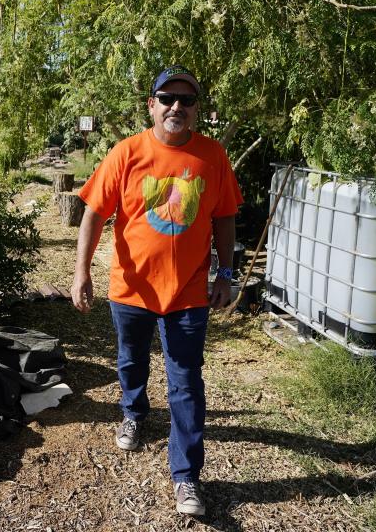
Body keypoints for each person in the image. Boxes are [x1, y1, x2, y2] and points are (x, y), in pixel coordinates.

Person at [70, 65, 243, 516]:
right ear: (152, 105)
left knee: (185, 381)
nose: (176, 108)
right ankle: (133, 411)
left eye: (186, 101)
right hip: (130, 289)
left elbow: (225, 216)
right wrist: (80, 272)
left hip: (187, 293)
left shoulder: (213, 156)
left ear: (196, 109)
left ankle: (185, 477)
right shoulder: (126, 153)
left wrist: (225, 273)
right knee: (130, 360)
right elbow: (93, 213)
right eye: (167, 99)